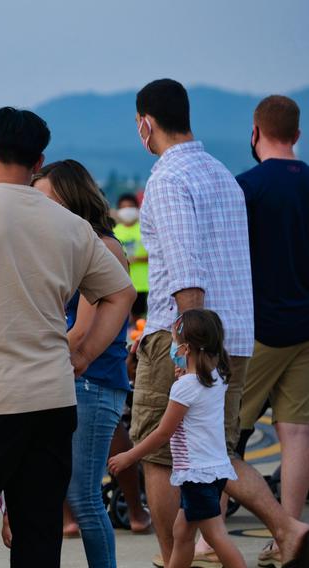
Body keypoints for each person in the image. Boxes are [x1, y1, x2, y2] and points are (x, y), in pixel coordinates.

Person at [0, 106, 135, 567]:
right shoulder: (72, 225)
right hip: (52, 402)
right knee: (39, 534)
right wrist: (86, 353)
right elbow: (121, 293)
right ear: (39, 161)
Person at [131, 78, 309, 567]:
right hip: (236, 334)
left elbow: (185, 267)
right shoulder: (223, 175)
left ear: (147, 123)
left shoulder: (168, 179)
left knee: (162, 455)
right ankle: (287, 527)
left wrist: (188, 347)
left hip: (187, 335)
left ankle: (175, 561)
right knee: (217, 453)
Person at [28, 159, 133, 567]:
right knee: (71, 492)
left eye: (46, 200)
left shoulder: (101, 247)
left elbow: (81, 333)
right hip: (77, 378)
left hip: (92, 379)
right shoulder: (75, 245)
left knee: (84, 496)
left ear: (70, 198)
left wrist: (30, 361)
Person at [110, 310, 245, 568]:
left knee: (215, 536)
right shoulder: (217, 378)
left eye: (173, 341)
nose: (172, 348)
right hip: (213, 472)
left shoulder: (185, 387)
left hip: (197, 475)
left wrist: (130, 456)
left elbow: (163, 432)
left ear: (185, 348)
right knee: (182, 533)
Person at [237, 95, 309, 567]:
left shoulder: (245, 186)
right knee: (297, 434)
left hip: (259, 327)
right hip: (307, 326)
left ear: (256, 132)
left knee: (224, 436)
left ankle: (203, 539)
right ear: (298, 135)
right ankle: (286, 536)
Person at [113, 192, 149, 319]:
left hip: (145, 283)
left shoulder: (145, 229)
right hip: (123, 284)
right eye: (124, 207)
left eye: (130, 206)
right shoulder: (115, 231)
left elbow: (156, 254)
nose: (127, 210)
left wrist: (139, 259)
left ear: (137, 208)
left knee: (142, 320)